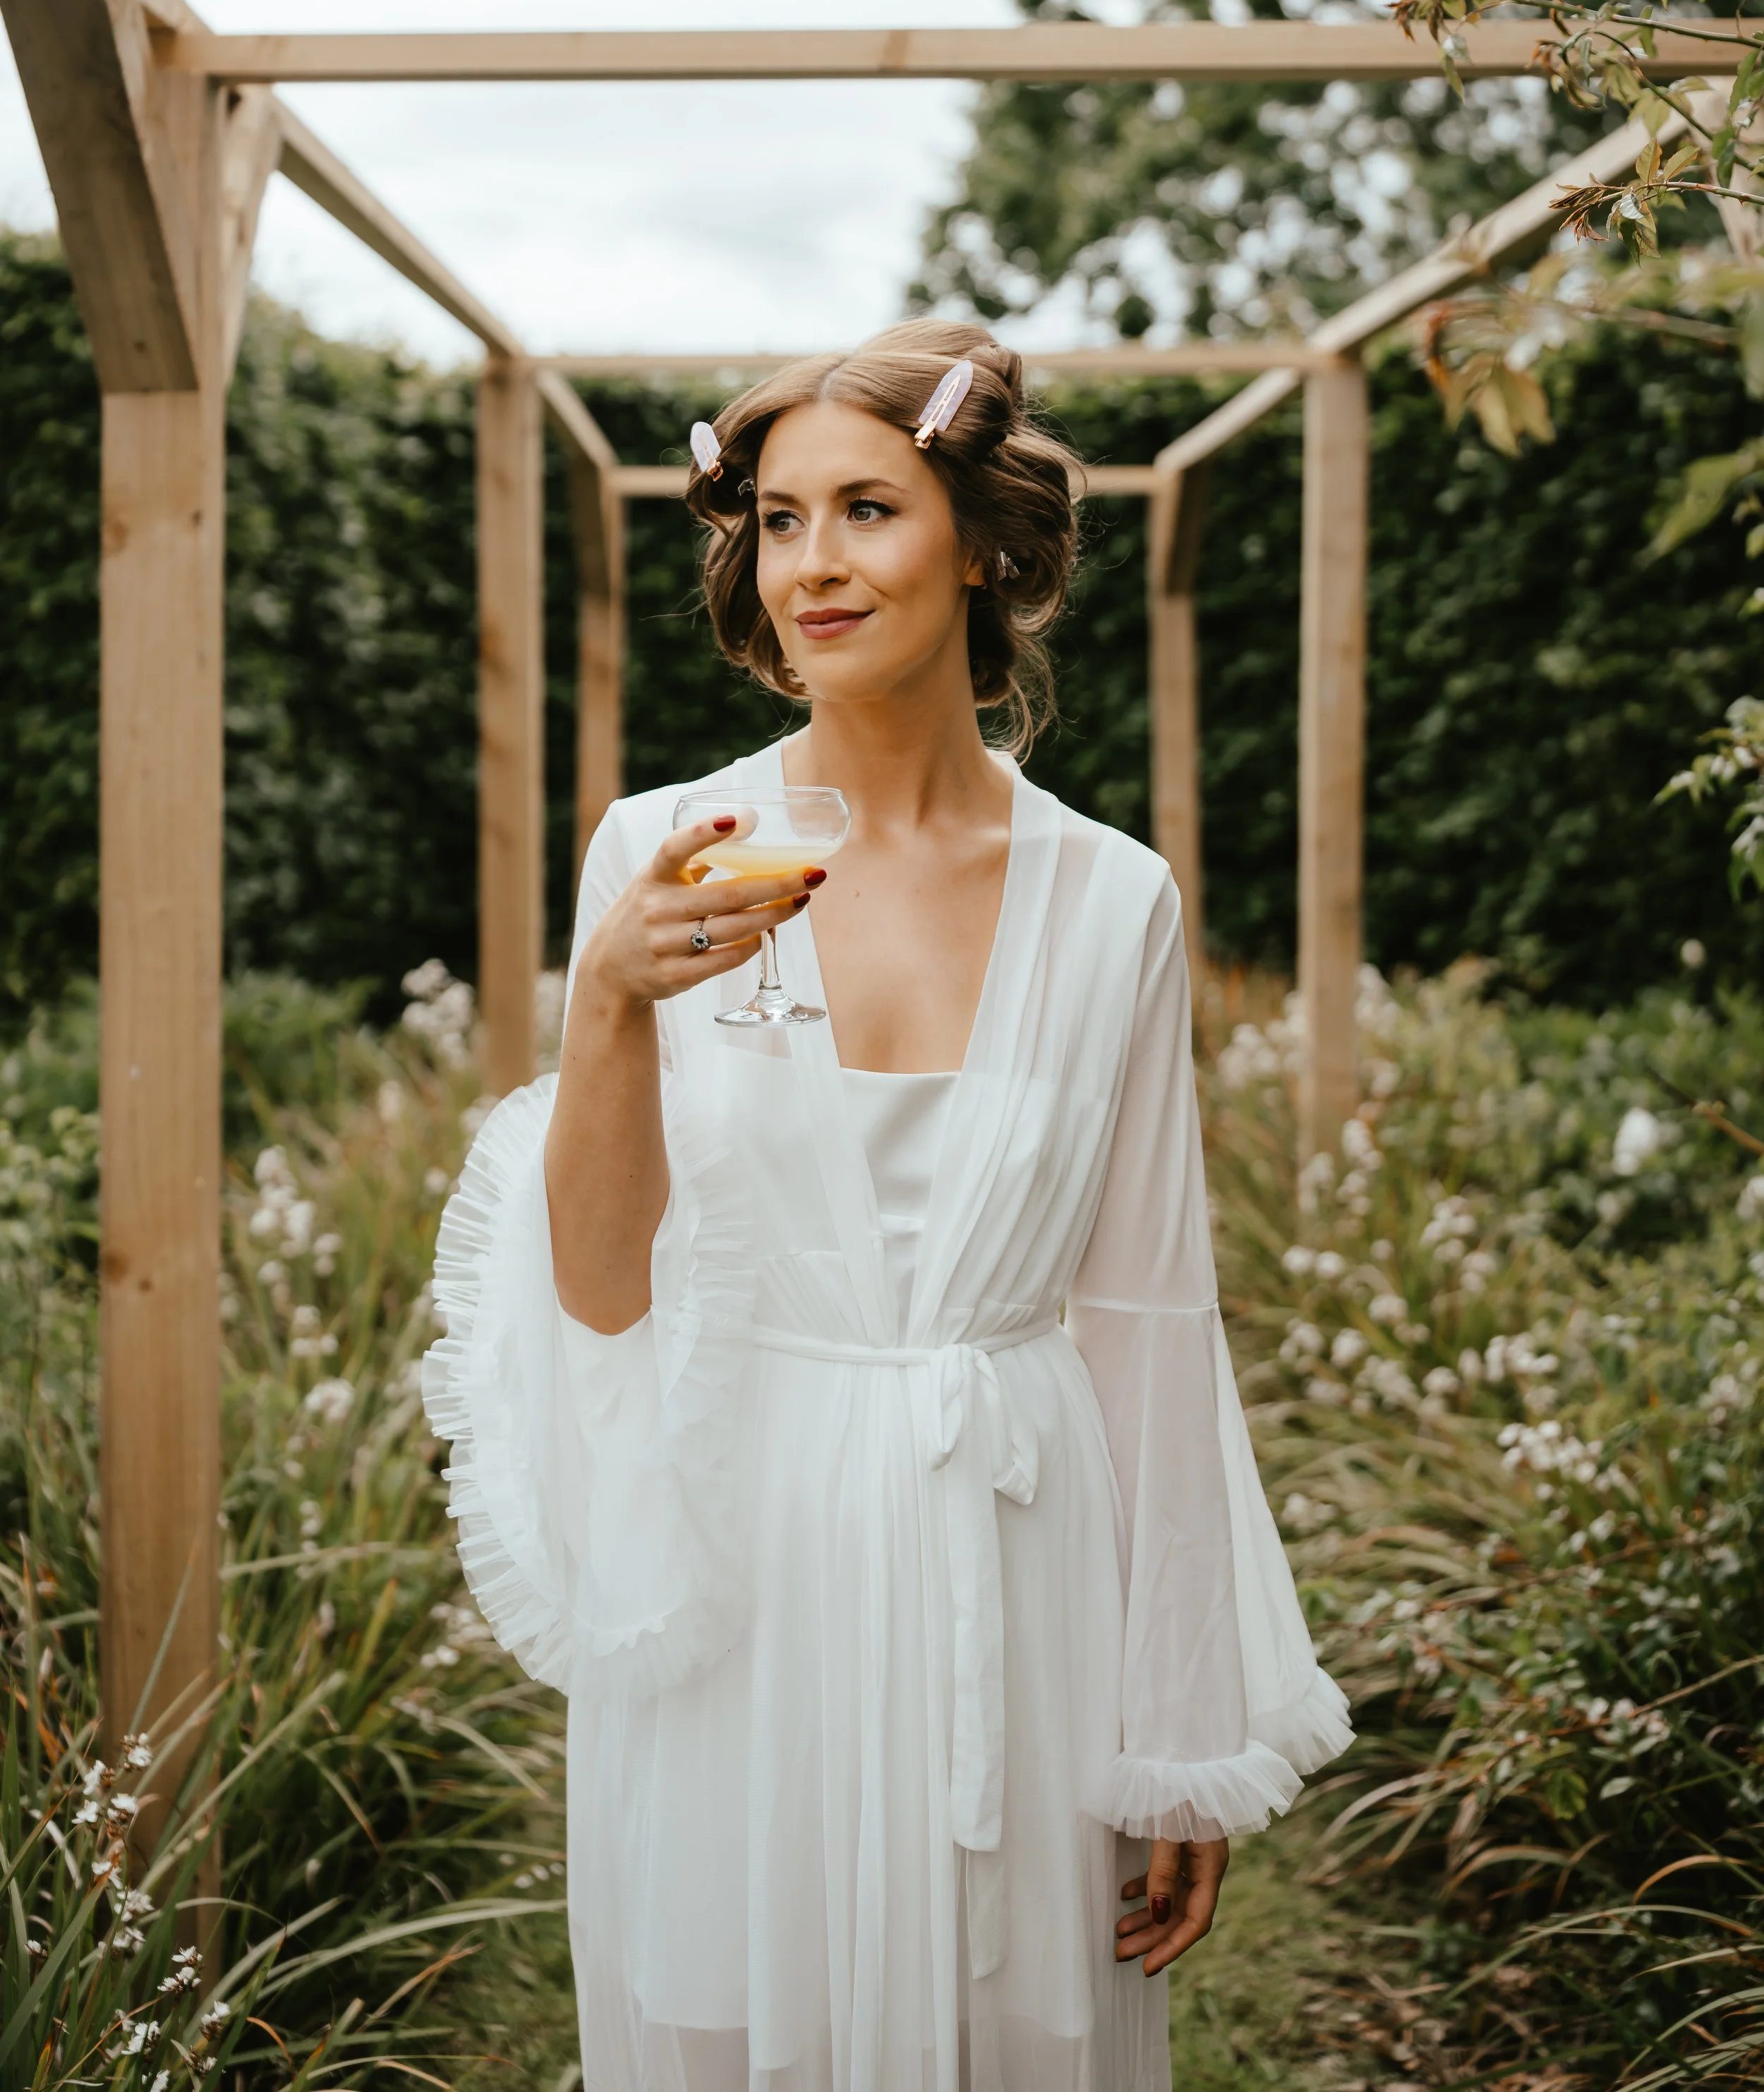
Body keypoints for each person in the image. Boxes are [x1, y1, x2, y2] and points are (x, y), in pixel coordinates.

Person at [423, 321, 1351, 2092]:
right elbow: (598, 1289)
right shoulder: (662, 852)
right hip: (745, 1565)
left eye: (865, 508)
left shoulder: (1112, 900)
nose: (813, 566)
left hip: (1017, 1559)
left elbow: (1149, 1321)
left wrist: (1177, 1733)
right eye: (776, 522)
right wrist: (608, 1003)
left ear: (980, 542)